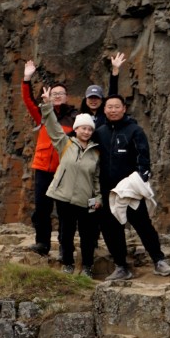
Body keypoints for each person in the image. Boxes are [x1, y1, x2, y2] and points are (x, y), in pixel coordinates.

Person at [92, 55, 170, 281]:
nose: (113, 110)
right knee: (110, 228)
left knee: (142, 224)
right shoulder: (99, 132)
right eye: (109, 107)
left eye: (117, 106)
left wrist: (141, 178)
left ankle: (159, 261)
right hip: (107, 190)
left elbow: (144, 159)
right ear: (104, 110)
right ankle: (121, 266)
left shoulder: (134, 130)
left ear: (124, 108)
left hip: (131, 188)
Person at [38, 99, 105, 274]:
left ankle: (87, 267)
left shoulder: (96, 152)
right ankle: (68, 264)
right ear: (76, 129)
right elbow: (52, 125)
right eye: (83, 128)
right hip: (64, 197)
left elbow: (97, 178)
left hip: (87, 200)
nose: (87, 131)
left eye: (90, 129)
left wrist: (98, 198)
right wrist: (47, 106)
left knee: (88, 235)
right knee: (66, 233)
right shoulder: (65, 144)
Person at [20, 63, 77, 257]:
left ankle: (64, 246)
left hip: (64, 171)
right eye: (55, 93)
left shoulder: (74, 118)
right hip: (43, 168)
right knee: (42, 209)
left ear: (67, 97)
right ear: (49, 97)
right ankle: (42, 243)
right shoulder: (43, 115)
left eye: (61, 93)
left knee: (64, 211)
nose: (58, 96)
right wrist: (27, 79)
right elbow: (28, 101)